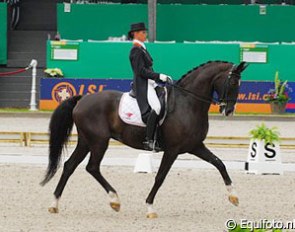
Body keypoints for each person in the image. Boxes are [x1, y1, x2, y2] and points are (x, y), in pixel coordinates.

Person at [128, 22, 172, 151]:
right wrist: (159, 76)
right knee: (157, 107)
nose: (145, 34)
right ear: (135, 34)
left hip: (150, 83)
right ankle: (149, 140)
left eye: (145, 32)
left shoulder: (142, 48)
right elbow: (141, 71)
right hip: (143, 84)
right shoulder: (136, 49)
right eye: (143, 32)